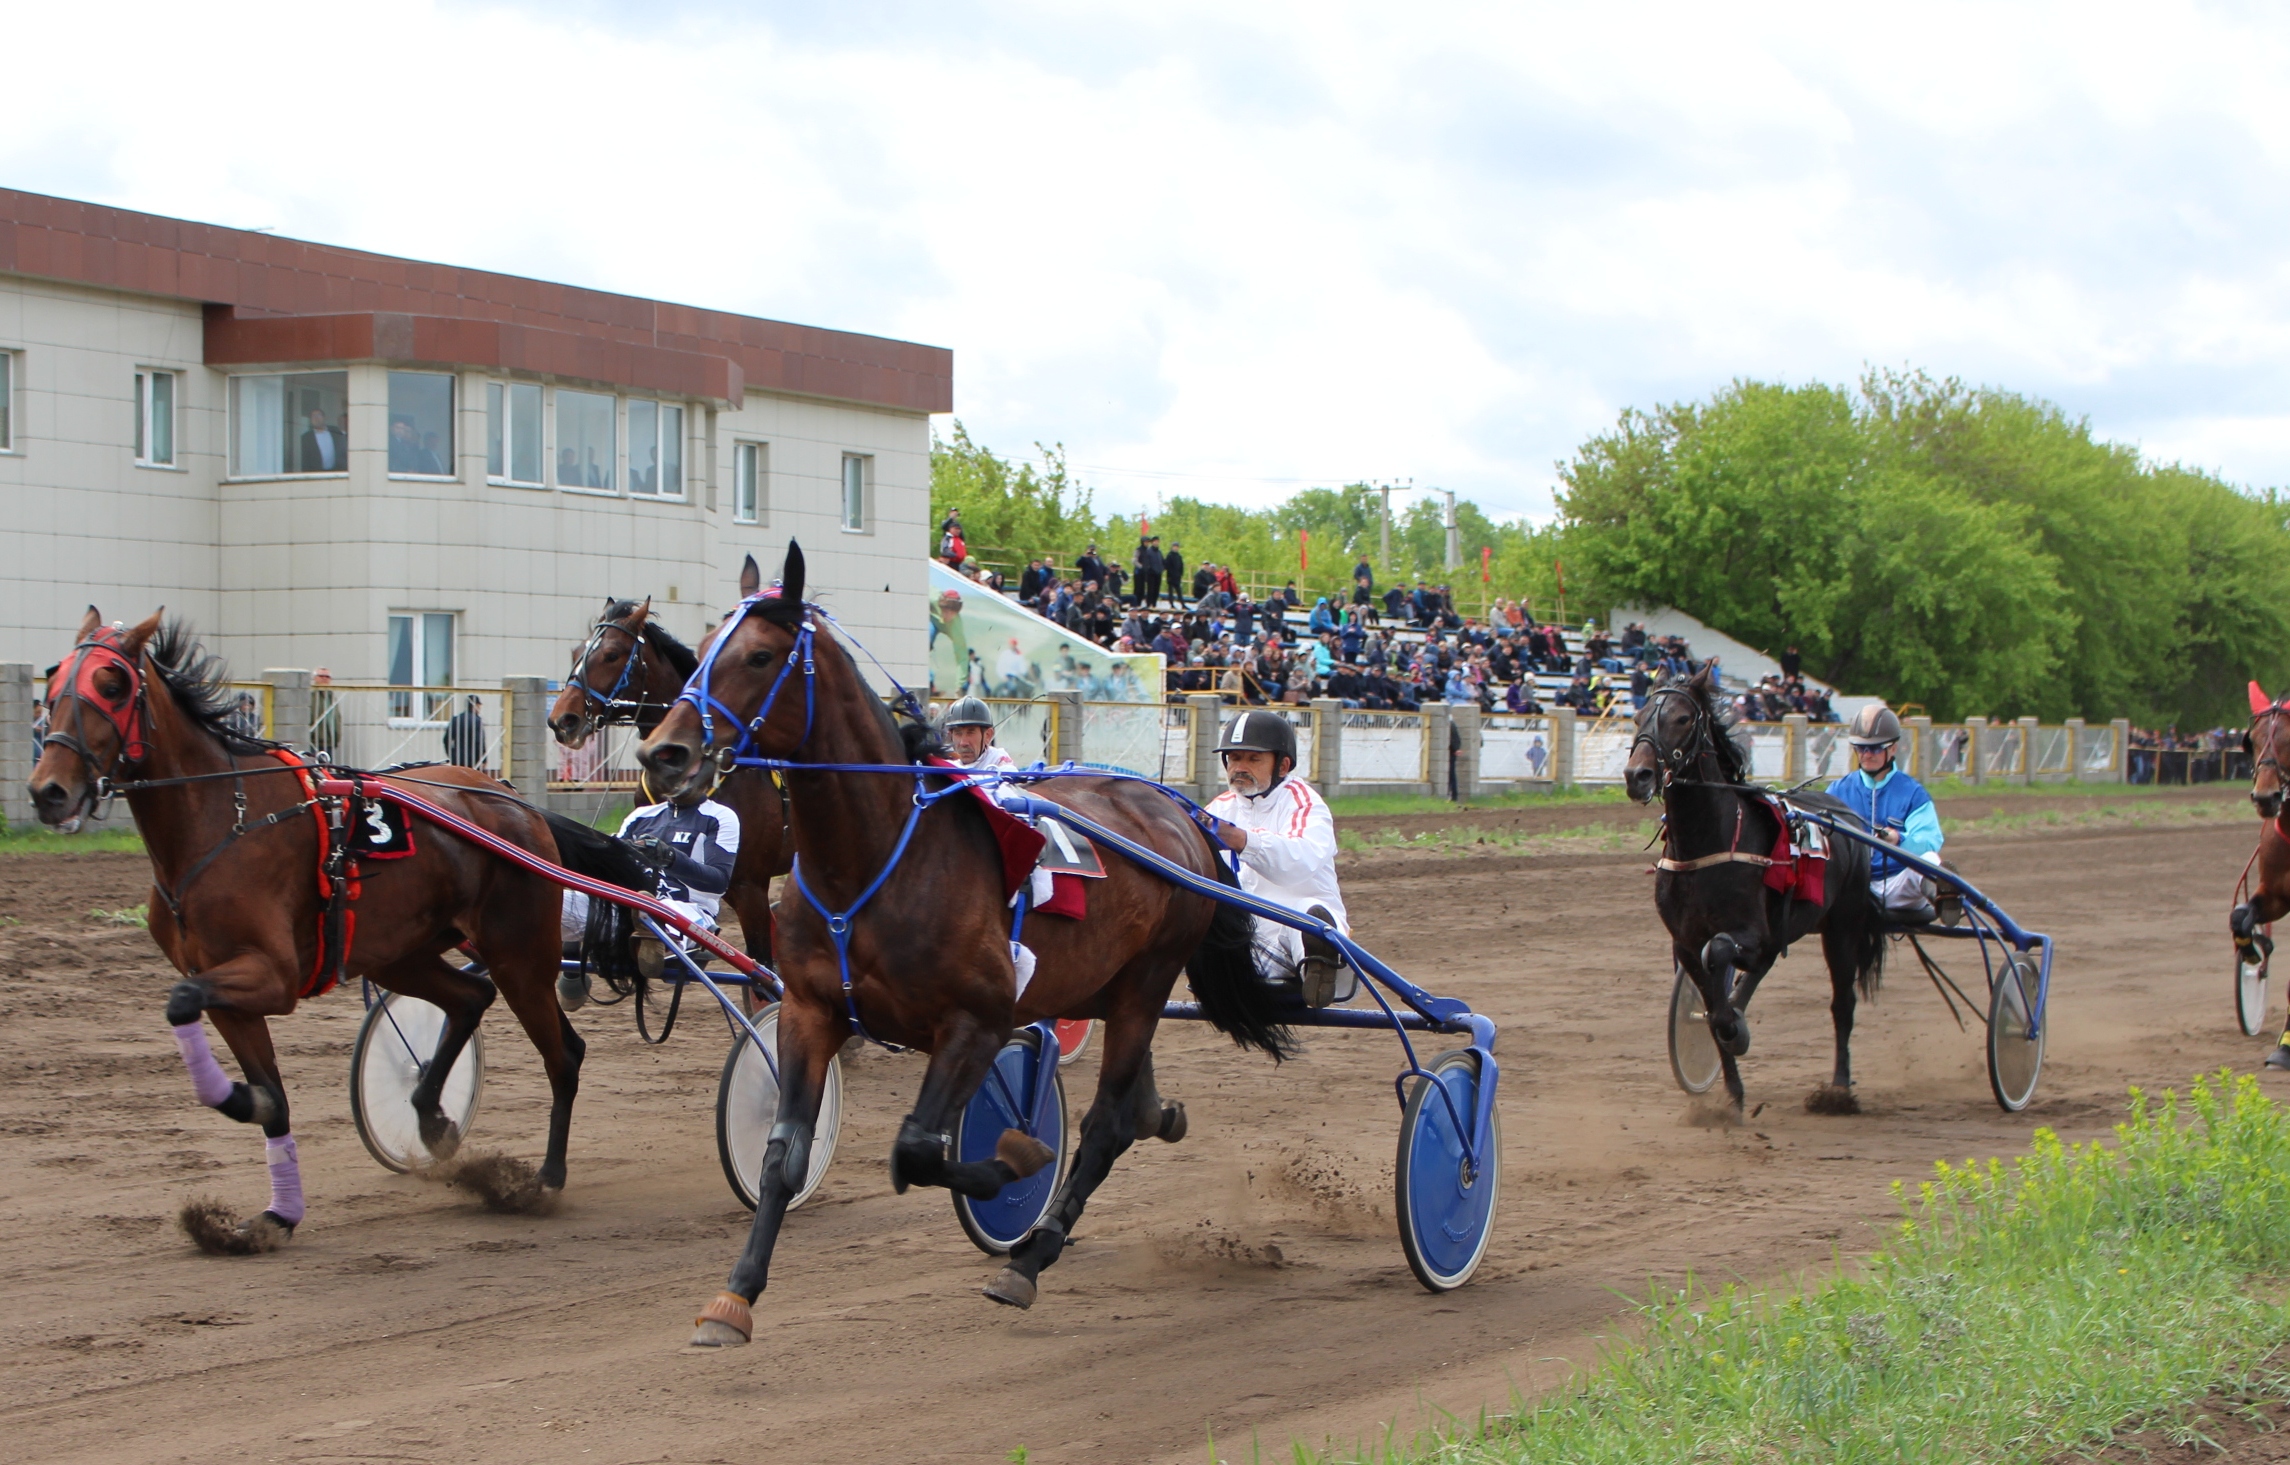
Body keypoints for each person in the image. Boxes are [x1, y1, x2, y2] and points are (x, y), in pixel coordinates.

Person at [1196, 712, 1349, 1007]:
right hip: (1249, 941)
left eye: (1254, 759)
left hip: (1300, 936)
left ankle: (1319, 965)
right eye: (1234, 758)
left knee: (1306, 914)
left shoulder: (1306, 804)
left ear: (1283, 765)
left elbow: (1297, 865)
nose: (1239, 768)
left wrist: (1241, 840)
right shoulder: (1218, 808)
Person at [558, 774, 743, 1010]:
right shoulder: (640, 816)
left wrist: (671, 858)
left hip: (687, 911)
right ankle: (639, 936)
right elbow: (607, 871)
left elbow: (718, 882)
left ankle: (649, 937)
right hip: (626, 908)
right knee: (554, 901)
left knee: (661, 910)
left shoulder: (720, 816)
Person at [1824, 704, 1942, 923]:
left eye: (1876, 748)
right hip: (1850, 888)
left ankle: (1945, 899)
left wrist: (1899, 839)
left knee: (1930, 860)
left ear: (1893, 749)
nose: (1867, 754)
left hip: (1898, 886)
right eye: (1861, 748)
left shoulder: (1913, 793)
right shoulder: (1837, 791)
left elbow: (1930, 840)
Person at [939, 696, 1016, 772]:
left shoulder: (998, 759)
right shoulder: (944, 764)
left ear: (988, 735)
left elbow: (1009, 774)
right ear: (950, 736)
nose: (963, 743)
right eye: (958, 733)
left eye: (970, 733)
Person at [298, 407, 346, 473]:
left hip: (336, 472)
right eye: (313, 416)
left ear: (324, 418)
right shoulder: (306, 438)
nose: (316, 418)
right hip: (317, 474)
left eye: (319, 415)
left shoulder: (335, 432)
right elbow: (305, 460)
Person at [443, 695, 485, 767]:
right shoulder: (477, 721)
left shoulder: (456, 719)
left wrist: (451, 754)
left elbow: (446, 739)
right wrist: (484, 759)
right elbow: (479, 742)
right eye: (479, 706)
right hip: (472, 758)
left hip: (456, 758)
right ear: (475, 705)